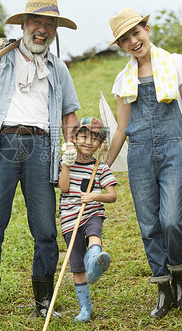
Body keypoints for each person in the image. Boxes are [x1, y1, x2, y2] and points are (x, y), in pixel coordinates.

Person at [0, 0, 80, 328]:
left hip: (41, 148)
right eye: (36, 22)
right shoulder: (1, 53)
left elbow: (70, 115)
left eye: (49, 24)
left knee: (45, 231)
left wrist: (73, 151)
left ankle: (42, 302)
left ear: (54, 31)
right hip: (2, 145)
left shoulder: (58, 68)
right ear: (23, 25)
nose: (42, 29)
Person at [105, 8, 182, 318]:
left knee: (172, 220)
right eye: (125, 39)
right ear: (121, 46)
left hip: (175, 148)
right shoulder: (124, 79)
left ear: (147, 29)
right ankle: (163, 288)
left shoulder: (176, 63)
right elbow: (121, 128)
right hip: (140, 156)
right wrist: (104, 164)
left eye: (136, 33)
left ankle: (177, 276)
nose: (133, 41)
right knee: (149, 225)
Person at [58, 116, 117, 323]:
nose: (88, 142)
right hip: (69, 218)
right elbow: (64, 187)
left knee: (94, 231)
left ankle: (95, 258)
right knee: (76, 264)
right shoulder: (68, 162)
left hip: (91, 211)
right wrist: (66, 164)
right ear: (74, 138)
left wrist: (94, 196)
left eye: (94, 139)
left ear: (101, 144)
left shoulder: (101, 168)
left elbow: (112, 196)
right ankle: (85, 308)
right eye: (83, 136)